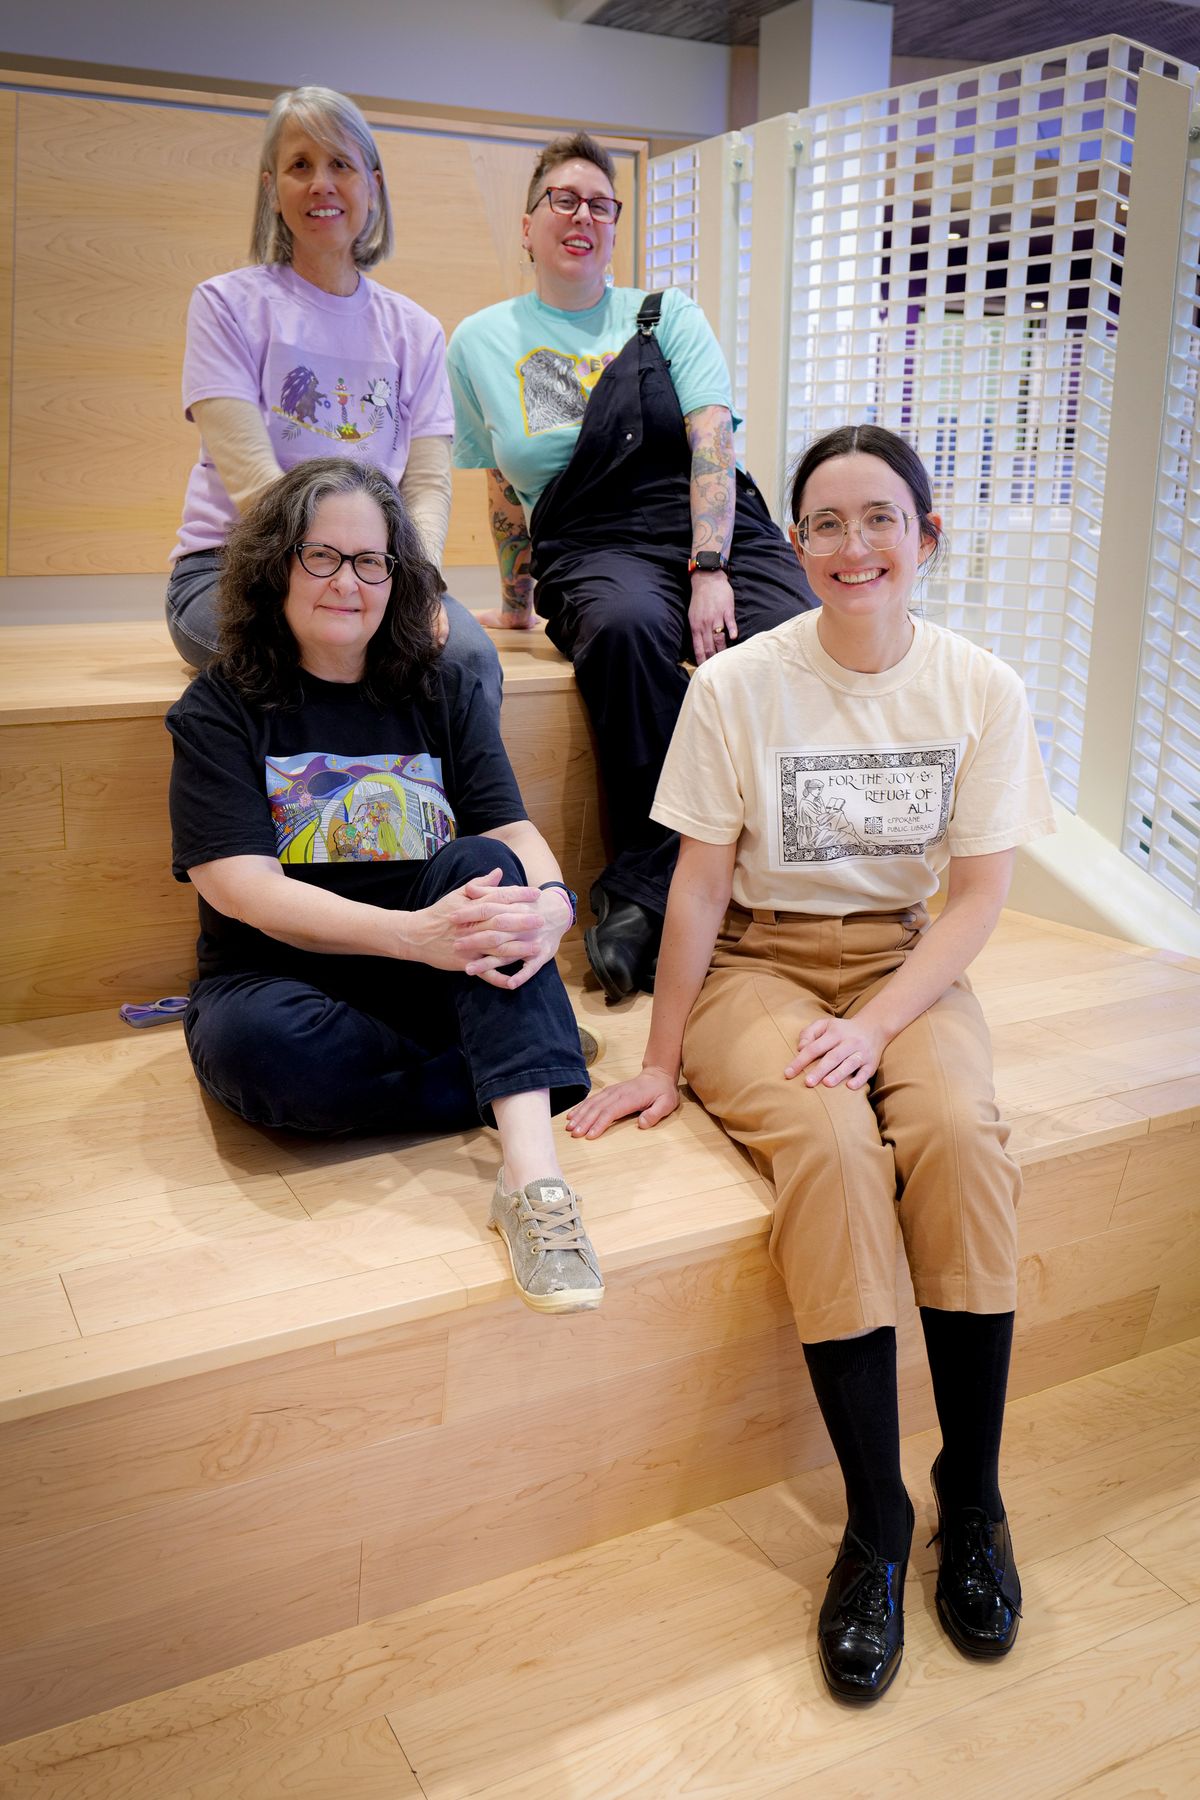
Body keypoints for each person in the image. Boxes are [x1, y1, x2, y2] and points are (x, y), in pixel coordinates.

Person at [566, 425, 1056, 1699]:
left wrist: (884, 1023)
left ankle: (976, 1495)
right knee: (836, 1149)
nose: (855, 547)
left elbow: (973, 900)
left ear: (927, 539)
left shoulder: (981, 688)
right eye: (827, 524)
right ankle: (879, 1525)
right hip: (757, 965)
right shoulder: (739, 687)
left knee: (955, 1135)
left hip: (903, 959)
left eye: (882, 519)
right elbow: (698, 886)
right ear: (796, 543)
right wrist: (662, 1058)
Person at [166, 457, 602, 1314]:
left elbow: (510, 833)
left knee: (487, 871)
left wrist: (554, 908)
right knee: (259, 1052)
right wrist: (412, 937)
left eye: (372, 562)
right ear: (274, 566)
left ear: (397, 578)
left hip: (437, 968)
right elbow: (242, 889)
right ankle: (515, 1061)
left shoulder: (440, 687)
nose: (348, 581)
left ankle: (536, 1186)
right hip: (287, 979)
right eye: (321, 556)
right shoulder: (221, 707)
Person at [446, 131, 816, 1001]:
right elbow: (503, 483)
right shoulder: (478, 341)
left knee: (800, 635)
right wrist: (515, 598)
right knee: (623, 627)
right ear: (529, 225)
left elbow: (711, 440)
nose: (583, 216)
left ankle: (791, 877)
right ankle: (662, 882)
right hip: (592, 541)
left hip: (702, 521)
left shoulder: (666, 313)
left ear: (615, 225)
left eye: (600, 204)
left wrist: (712, 565)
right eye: (563, 201)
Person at [166, 84, 500, 720]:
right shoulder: (225, 306)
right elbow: (257, 487)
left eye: (340, 165)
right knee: (320, 653)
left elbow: (427, 486)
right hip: (234, 572)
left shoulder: (417, 330)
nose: (321, 183)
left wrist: (415, 586)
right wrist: (341, 586)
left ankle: (482, 821)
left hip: (375, 574)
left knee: (470, 661)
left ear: (372, 186)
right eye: (300, 166)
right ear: (272, 190)